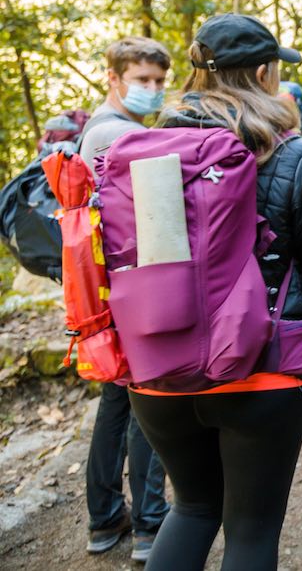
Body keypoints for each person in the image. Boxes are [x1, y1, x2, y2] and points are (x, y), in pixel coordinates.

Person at [126, 14, 302, 570]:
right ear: (263, 73)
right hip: (262, 369)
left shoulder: (146, 151)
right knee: (250, 532)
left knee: (193, 509)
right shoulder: (296, 156)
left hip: (158, 370)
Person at [78, 36, 172, 562]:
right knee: (147, 404)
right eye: (142, 81)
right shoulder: (122, 135)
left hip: (106, 286)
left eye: (159, 81)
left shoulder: (96, 128)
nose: (153, 90)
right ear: (113, 79)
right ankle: (149, 524)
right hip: (134, 288)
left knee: (115, 403)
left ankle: (104, 518)